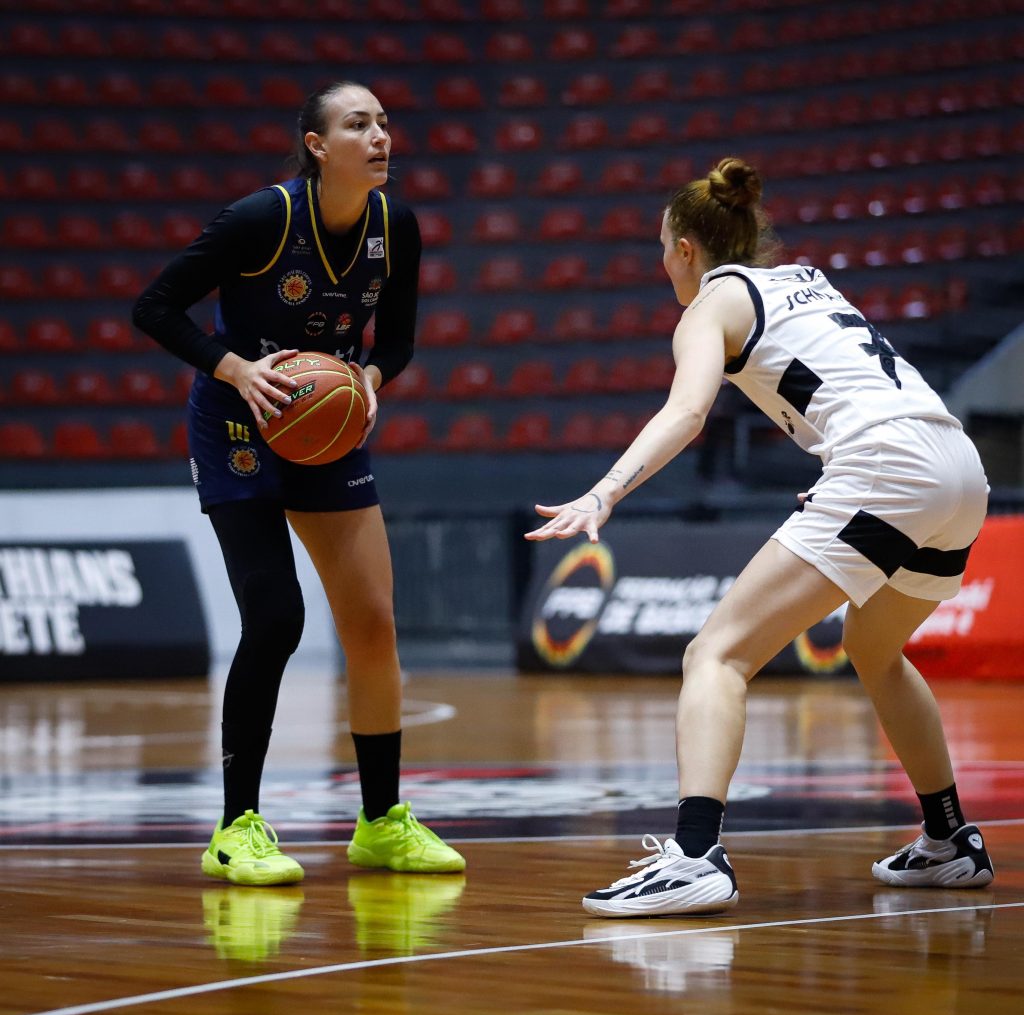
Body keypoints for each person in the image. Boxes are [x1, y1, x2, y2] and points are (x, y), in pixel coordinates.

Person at [525, 157, 994, 917]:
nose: (660, 265)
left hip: (889, 467)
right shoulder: (804, 278)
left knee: (715, 654)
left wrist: (604, 492)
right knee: (874, 650)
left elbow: (685, 414)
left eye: (660, 250)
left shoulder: (709, 305)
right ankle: (949, 839)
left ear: (685, 250)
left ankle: (694, 856)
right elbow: (847, 382)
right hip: (957, 469)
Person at [133, 81, 465, 885]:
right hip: (241, 423)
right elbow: (156, 307)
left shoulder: (397, 227)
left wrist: (372, 380)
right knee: (276, 616)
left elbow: (403, 340)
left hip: (325, 422)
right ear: (317, 146)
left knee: (373, 623)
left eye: (385, 122)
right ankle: (235, 826)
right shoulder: (261, 218)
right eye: (359, 124)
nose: (381, 136)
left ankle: (381, 820)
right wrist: (236, 368)